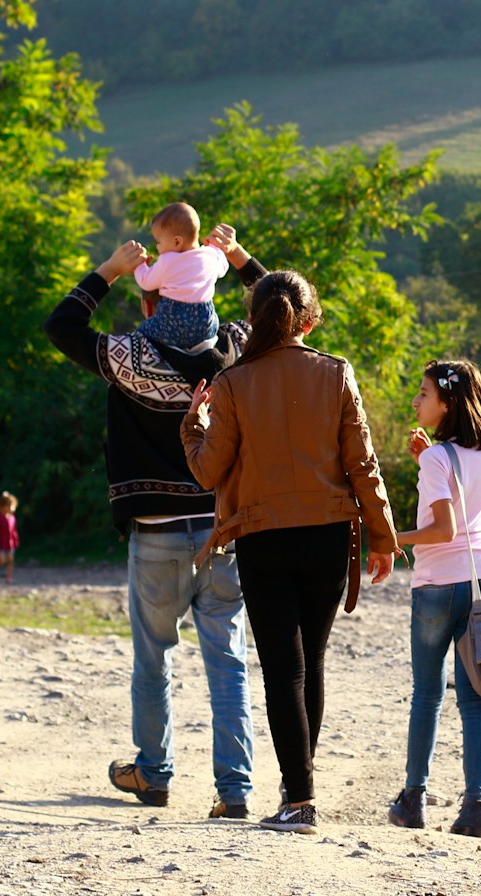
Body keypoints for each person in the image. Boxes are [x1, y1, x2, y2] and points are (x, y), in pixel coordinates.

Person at [43, 223, 261, 820]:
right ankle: (235, 789)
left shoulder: (130, 355)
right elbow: (282, 310)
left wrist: (109, 270)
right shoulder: (234, 352)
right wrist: (238, 257)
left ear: (151, 299)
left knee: (154, 657)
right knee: (229, 661)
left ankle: (154, 772)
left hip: (158, 533)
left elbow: (61, 327)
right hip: (221, 532)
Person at [181, 269, 400, 835]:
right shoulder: (335, 372)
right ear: (309, 319)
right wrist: (383, 536)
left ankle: (299, 796)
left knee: (284, 669)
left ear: (253, 320)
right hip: (329, 533)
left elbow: (209, 471)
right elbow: (362, 463)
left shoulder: (231, 384)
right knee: (313, 663)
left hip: (262, 537)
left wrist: (191, 428)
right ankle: (297, 787)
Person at [386, 358, 481, 840]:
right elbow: (466, 501)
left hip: (439, 584)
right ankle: (473, 809)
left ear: (447, 402)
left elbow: (442, 528)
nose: (416, 400)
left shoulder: (439, 458)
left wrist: (393, 538)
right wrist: (425, 459)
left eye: (423, 393)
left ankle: (414, 800)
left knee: (427, 694)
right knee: (476, 700)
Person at [134, 201, 228, 353]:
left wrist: (140, 265)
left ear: (177, 241)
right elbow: (223, 268)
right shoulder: (209, 256)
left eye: (158, 242)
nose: (157, 247)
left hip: (172, 324)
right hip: (205, 326)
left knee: (142, 331)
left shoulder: (167, 261)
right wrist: (216, 249)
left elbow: (146, 282)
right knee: (214, 326)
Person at [0, 492, 20, 582]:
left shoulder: (12, 518)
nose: (11, 508)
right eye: (8, 505)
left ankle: (8, 577)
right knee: (2, 561)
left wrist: (16, 540)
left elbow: (14, 531)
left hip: (10, 544)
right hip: (0, 544)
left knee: (10, 561)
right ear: (1, 507)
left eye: (11, 505)